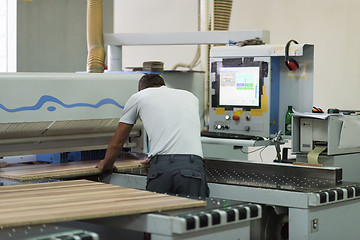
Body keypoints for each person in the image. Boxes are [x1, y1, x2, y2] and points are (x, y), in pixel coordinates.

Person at [95, 73, 209, 199]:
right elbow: (176, 128)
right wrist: (154, 155)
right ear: (162, 85)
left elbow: (118, 142)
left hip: (162, 169)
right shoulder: (190, 96)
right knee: (193, 216)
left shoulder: (138, 97)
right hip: (192, 167)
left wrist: (106, 164)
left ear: (141, 89)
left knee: (158, 216)